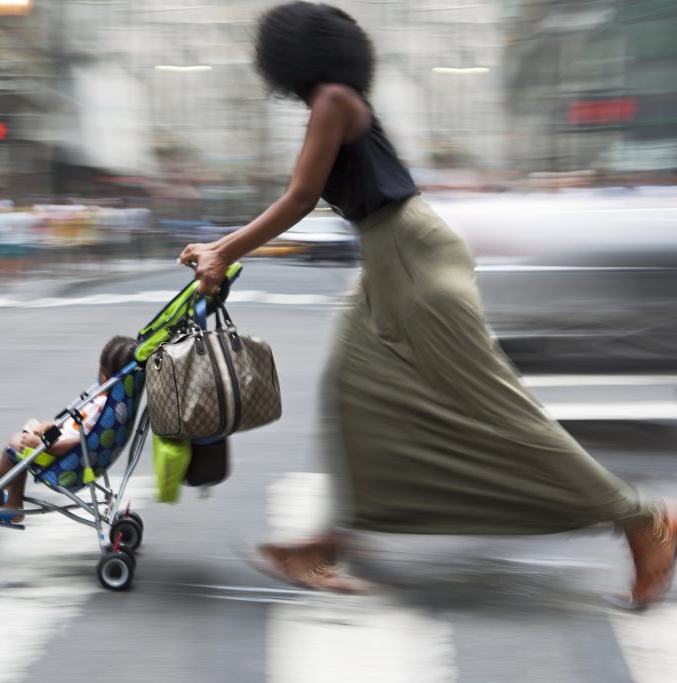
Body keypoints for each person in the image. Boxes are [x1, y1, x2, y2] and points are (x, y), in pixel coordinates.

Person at [179, 1, 676, 608]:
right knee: (357, 390)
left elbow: (301, 195)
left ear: (288, 58)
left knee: (496, 411)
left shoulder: (334, 100)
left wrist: (224, 251)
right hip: (390, 262)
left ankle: (642, 523)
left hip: (415, 261)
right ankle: (333, 541)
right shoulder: (335, 102)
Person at [0, 336, 138, 521]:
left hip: (63, 455)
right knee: (25, 438)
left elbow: (78, 439)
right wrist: (51, 427)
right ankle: (6, 496)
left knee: (14, 446)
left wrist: (43, 443)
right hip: (65, 447)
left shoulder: (102, 406)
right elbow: (77, 427)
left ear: (104, 376)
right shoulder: (112, 405)